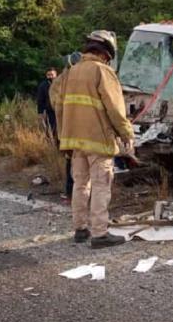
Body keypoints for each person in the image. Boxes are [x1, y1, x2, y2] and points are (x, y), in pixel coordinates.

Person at [55, 31, 133, 248]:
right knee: (100, 185)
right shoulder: (103, 71)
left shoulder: (71, 72)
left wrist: (63, 137)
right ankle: (100, 233)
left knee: (80, 184)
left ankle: (80, 230)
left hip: (74, 140)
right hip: (98, 140)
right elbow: (115, 109)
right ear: (107, 52)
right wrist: (126, 133)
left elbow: (58, 105)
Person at [50, 53, 81, 200]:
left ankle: (73, 192)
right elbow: (58, 106)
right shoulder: (62, 82)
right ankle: (71, 192)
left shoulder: (62, 81)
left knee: (74, 160)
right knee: (73, 160)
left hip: (70, 129)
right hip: (70, 128)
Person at [36, 68, 58, 140]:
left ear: (56, 74)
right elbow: (40, 100)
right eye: (48, 75)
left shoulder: (60, 84)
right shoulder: (43, 86)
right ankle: (53, 144)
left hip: (60, 110)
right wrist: (40, 112)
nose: (50, 76)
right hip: (49, 111)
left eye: (52, 74)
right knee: (51, 128)